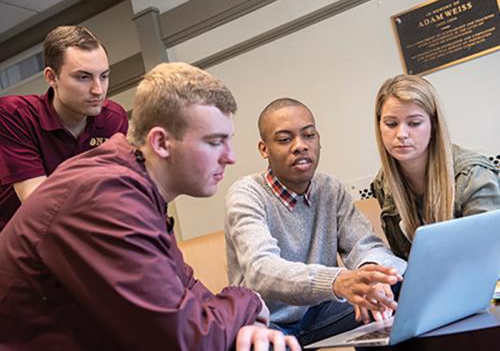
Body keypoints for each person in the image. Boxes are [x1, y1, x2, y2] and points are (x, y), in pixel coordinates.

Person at [0, 62, 300, 351]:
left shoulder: (136, 188)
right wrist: (249, 301)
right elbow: (187, 340)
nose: (229, 157)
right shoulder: (105, 198)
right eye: (214, 142)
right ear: (160, 142)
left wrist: (246, 322)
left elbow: (188, 293)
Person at [225, 98, 407, 346]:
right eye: (285, 139)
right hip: (269, 320)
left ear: (318, 140)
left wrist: (373, 273)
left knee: (392, 291)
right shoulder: (247, 193)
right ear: (264, 149)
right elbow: (261, 269)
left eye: (308, 135)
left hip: (322, 313)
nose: (300, 146)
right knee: (261, 345)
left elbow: (363, 244)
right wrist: (337, 281)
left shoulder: (330, 188)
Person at [0, 25, 128, 231]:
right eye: (83, 77)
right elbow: (38, 203)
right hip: (15, 244)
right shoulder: (14, 114)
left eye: (103, 76)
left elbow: (113, 193)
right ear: (51, 77)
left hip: (74, 239)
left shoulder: (114, 119)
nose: (98, 90)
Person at [371, 74, 500, 260]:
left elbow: (489, 257)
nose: (401, 134)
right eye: (391, 124)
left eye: (414, 123)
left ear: (434, 125)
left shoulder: (472, 175)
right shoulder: (384, 183)